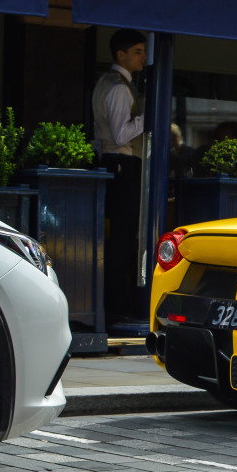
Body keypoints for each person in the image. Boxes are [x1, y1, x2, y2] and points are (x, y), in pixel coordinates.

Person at [92, 28, 147, 327]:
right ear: (121, 55)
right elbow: (120, 134)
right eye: (137, 51)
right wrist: (149, 116)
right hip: (123, 164)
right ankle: (117, 306)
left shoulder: (106, 83)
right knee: (122, 239)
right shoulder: (118, 88)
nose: (143, 56)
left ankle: (116, 304)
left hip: (114, 163)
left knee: (120, 238)